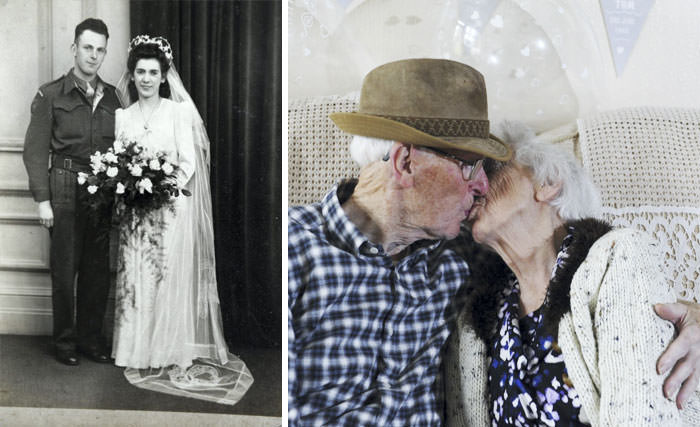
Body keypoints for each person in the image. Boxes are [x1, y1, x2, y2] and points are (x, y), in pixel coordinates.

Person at [288, 58, 700, 426]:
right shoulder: (296, 250)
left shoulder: (465, 256)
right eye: (469, 167)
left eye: (491, 168)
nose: (480, 185)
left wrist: (694, 315)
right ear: (406, 162)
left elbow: (631, 306)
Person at [444, 121, 700, 426]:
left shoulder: (618, 258)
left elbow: (643, 416)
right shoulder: (475, 319)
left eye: (491, 168)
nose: (476, 185)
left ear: (548, 182)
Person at [110, 35, 253, 405]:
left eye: (152, 72)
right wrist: (133, 189)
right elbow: (121, 164)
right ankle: (136, 351)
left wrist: (160, 187)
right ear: (132, 74)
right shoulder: (122, 117)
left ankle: (168, 349)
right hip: (136, 213)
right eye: (139, 71)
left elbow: (188, 162)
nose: (145, 78)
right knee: (138, 276)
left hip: (171, 209)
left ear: (163, 76)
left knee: (167, 278)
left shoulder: (178, 112)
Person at [23, 18, 117, 366]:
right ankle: (64, 343)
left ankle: (91, 341)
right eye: (88, 47)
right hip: (63, 187)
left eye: (100, 49)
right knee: (65, 270)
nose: (94, 55)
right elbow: (34, 151)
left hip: (102, 192)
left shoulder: (113, 98)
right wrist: (42, 201)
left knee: (97, 271)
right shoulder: (50, 94)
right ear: (74, 48)